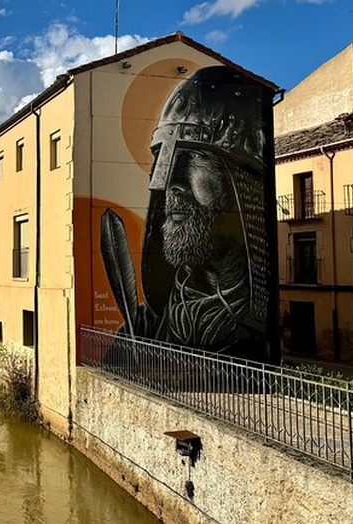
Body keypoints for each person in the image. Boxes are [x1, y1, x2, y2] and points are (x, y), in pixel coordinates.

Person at [101, 65, 270, 360]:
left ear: (243, 183)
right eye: (165, 160)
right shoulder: (142, 328)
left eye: (195, 157)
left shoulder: (256, 335)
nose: (170, 184)